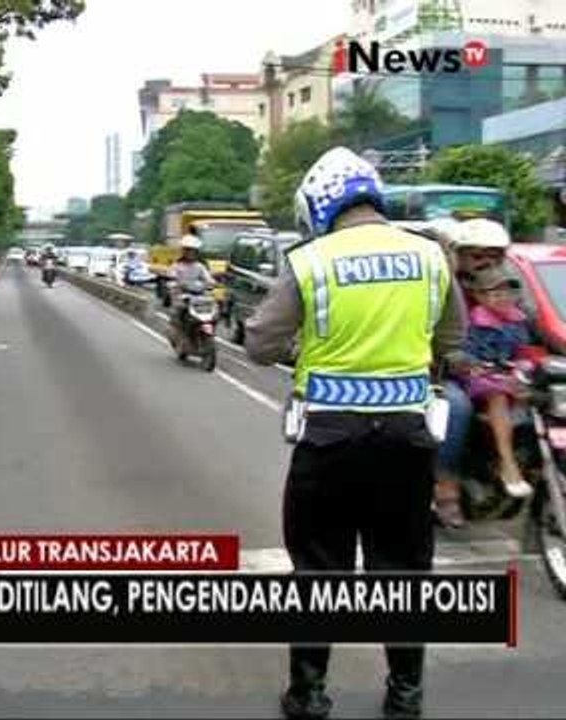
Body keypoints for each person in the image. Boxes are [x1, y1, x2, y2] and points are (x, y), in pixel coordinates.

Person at [244, 147, 465, 719]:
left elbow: (259, 344)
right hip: (406, 440)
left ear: (320, 203)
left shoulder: (310, 261)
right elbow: (452, 337)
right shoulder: (430, 256)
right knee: (403, 569)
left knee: (320, 569)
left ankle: (310, 694)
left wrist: (307, 352)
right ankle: (406, 695)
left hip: (330, 439)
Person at [425, 218, 512, 528]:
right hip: (444, 372)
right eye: (477, 255)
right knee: (457, 407)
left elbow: (530, 321)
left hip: (492, 373)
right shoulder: (442, 286)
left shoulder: (507, 287)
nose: (486, 263)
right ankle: (445, 486)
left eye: (494, 255)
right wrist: (451, 359)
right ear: (459, 256)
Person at [461, 266, 538, 498]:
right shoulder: (474, 322)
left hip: (511, 374)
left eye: (508, 293)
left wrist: (523, 367)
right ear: (480, 297)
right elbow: (468, 355)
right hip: (482, 378)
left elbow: (524, 352)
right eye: (495, 293)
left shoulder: (518, 320)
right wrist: (483, 368)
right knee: (498, 396)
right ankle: (508, 463)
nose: (503, 298)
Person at [167, 234, 215, 336]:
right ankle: (177, 331)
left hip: (198, 295)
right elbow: (171, 276)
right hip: (182, 294)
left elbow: (208, 278)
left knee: (213, 310)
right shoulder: (177, 266)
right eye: (188, 251)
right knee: (179, 309)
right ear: (184, 252)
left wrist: (211, 283)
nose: (190, 253)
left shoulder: (200, 266)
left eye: (193, 251)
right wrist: (174, 284)